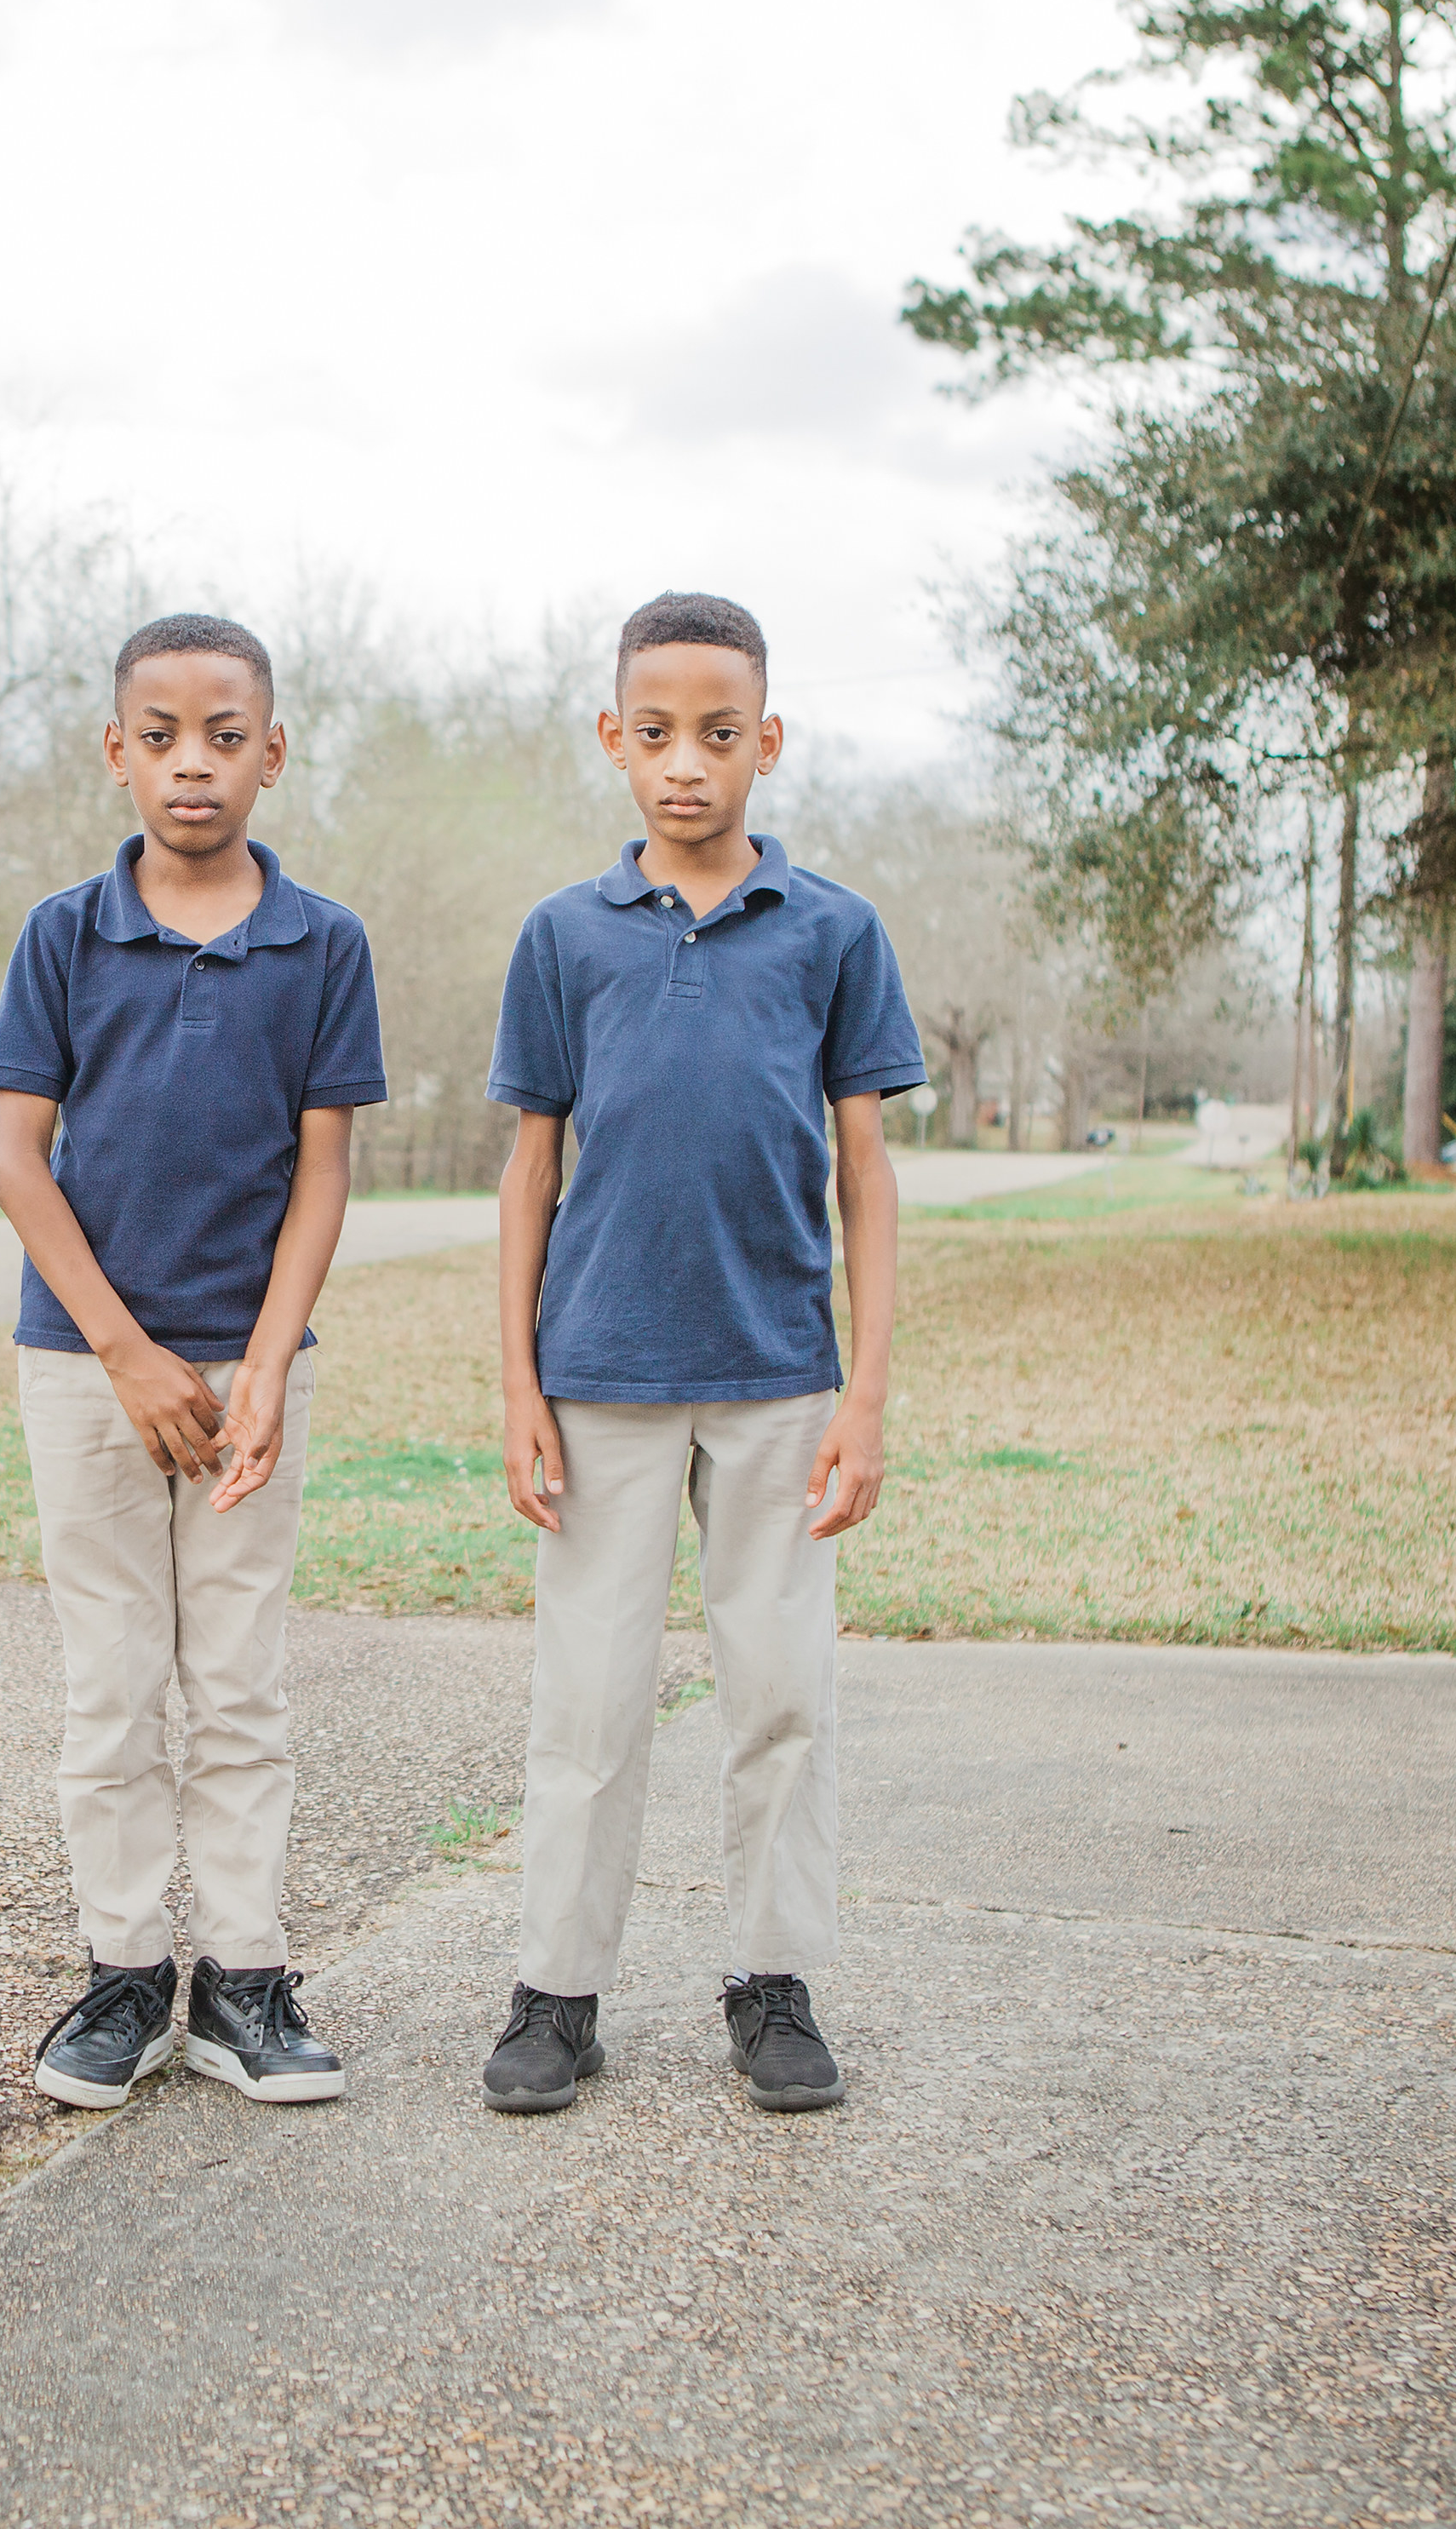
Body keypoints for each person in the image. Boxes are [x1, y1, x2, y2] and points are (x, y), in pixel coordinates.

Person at [479, 591, 923, 2118]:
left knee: (781, 1690)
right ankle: (556, 1990)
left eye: (719, 735)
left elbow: (863, 1171)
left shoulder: (835, 933)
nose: (688, 763)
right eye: (656, 733)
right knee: (588, 1701)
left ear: (768, 742)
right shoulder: (562, 938)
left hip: (780, 1376)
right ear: (614, 740)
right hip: (597, 1372)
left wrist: (864, 1394)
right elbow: (530, 1172)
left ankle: (774, 1981)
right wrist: (520, 1386)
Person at [0, 612, 387, 2110]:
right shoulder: (63, 934)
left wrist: (268, 1363)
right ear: (117, 753)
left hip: (249, 1374)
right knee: (112, 1684)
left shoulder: (322, 943)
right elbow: (21, 1160)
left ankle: (245, 1982)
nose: (192, 765)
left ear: (271, 754)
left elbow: (324, 1172)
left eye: (225, 737)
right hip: (87, 1366)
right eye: (160, 738)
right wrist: (126, 1355)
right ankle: (120, 1978)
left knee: (238, 1684)